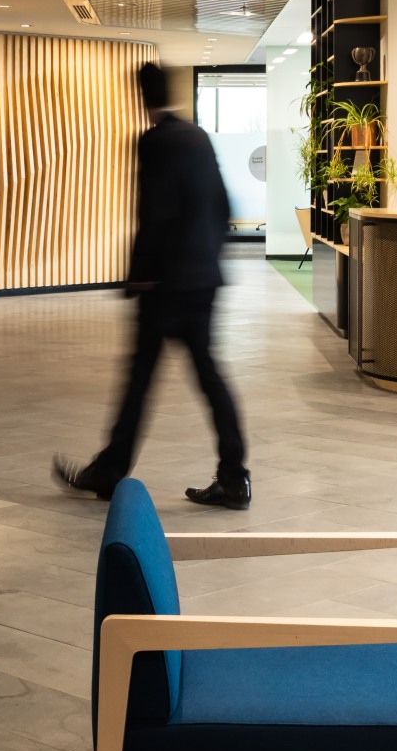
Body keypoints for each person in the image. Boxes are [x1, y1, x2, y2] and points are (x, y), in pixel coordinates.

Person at [54, 62, 251, 508]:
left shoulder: (154, 140)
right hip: (201, 281)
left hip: (165, 285)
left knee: (140, 378)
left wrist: (139, 276)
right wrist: (210, 259)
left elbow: (155, 213)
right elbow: (222, 204)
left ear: (142, 97)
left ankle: (108, 471)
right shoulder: (198, 137)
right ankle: (234, 477)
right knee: (209, 377)